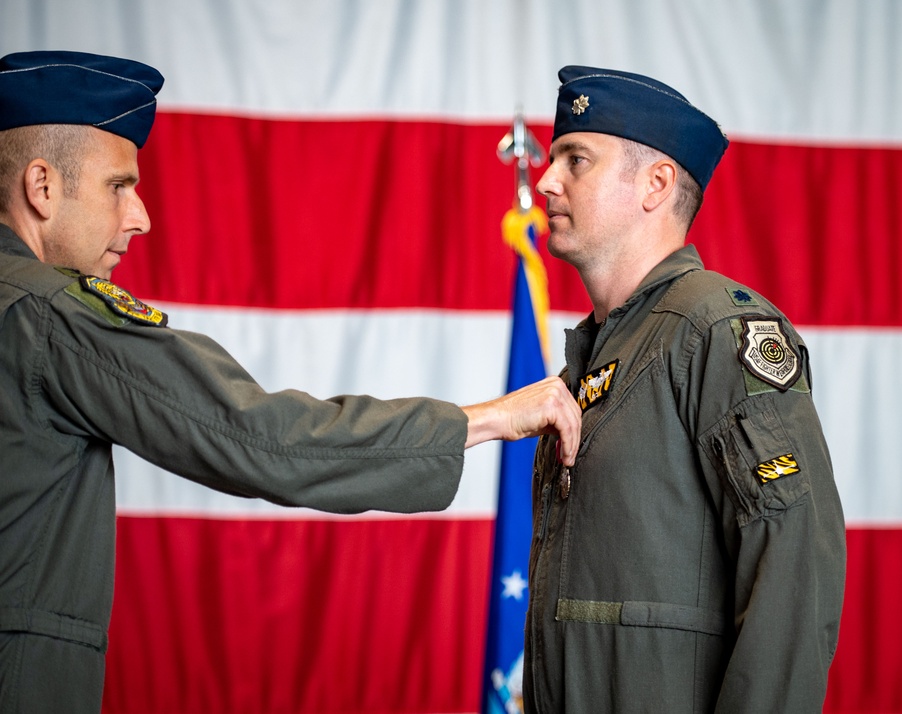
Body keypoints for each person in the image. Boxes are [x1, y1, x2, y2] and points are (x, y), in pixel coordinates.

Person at [0, 50, 582, 713]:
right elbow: (262, 438)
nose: (140, 217)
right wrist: (488, 419)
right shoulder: (50, 316)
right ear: (41, 187)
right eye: (117, 186)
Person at [522, 66, 847, 712]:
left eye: (575, 159)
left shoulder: (717, 332)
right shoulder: (588, 364)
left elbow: (794, 565)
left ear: (656, 184)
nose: (546, 180)